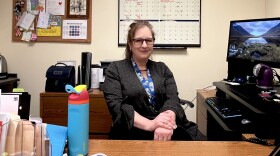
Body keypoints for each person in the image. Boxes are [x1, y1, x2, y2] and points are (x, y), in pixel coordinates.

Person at [103, 20, 206, 141]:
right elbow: (117, 107)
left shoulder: (162, 68)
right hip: (133, 130)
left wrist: (164, 124)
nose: (145, 45)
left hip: (169, 127)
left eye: (149, 40)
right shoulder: (115, 69)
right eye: (139, 40)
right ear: (130, 44)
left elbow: (172, 98)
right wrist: (151, 125)